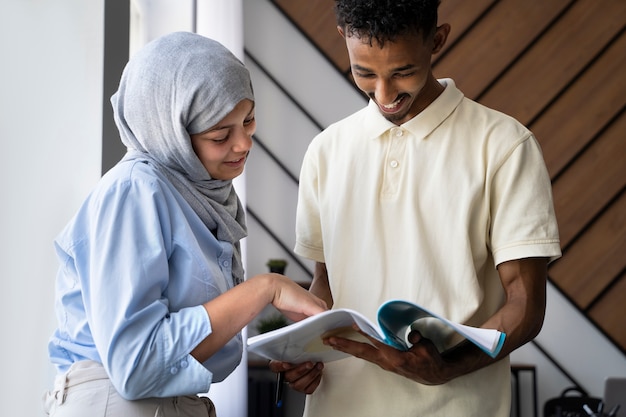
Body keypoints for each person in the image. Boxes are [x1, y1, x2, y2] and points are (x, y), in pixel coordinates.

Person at [269, 1, 562, 416]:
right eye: (364, 73)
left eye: (402, 72)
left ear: (437, 40)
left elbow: (526, 305)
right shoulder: (325, 151)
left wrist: (449, 368)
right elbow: (327, 285)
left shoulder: (505, 147)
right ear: (343, 39)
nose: (384, 95)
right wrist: (304, 350)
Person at [43, 31, 327, 417]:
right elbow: (137, 364)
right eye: (220, 134)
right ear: (171, 133)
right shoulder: (134, 191)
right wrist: (266, 289)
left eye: (249, 120)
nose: (243, 143)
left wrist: (293, 346)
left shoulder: (204, 197)